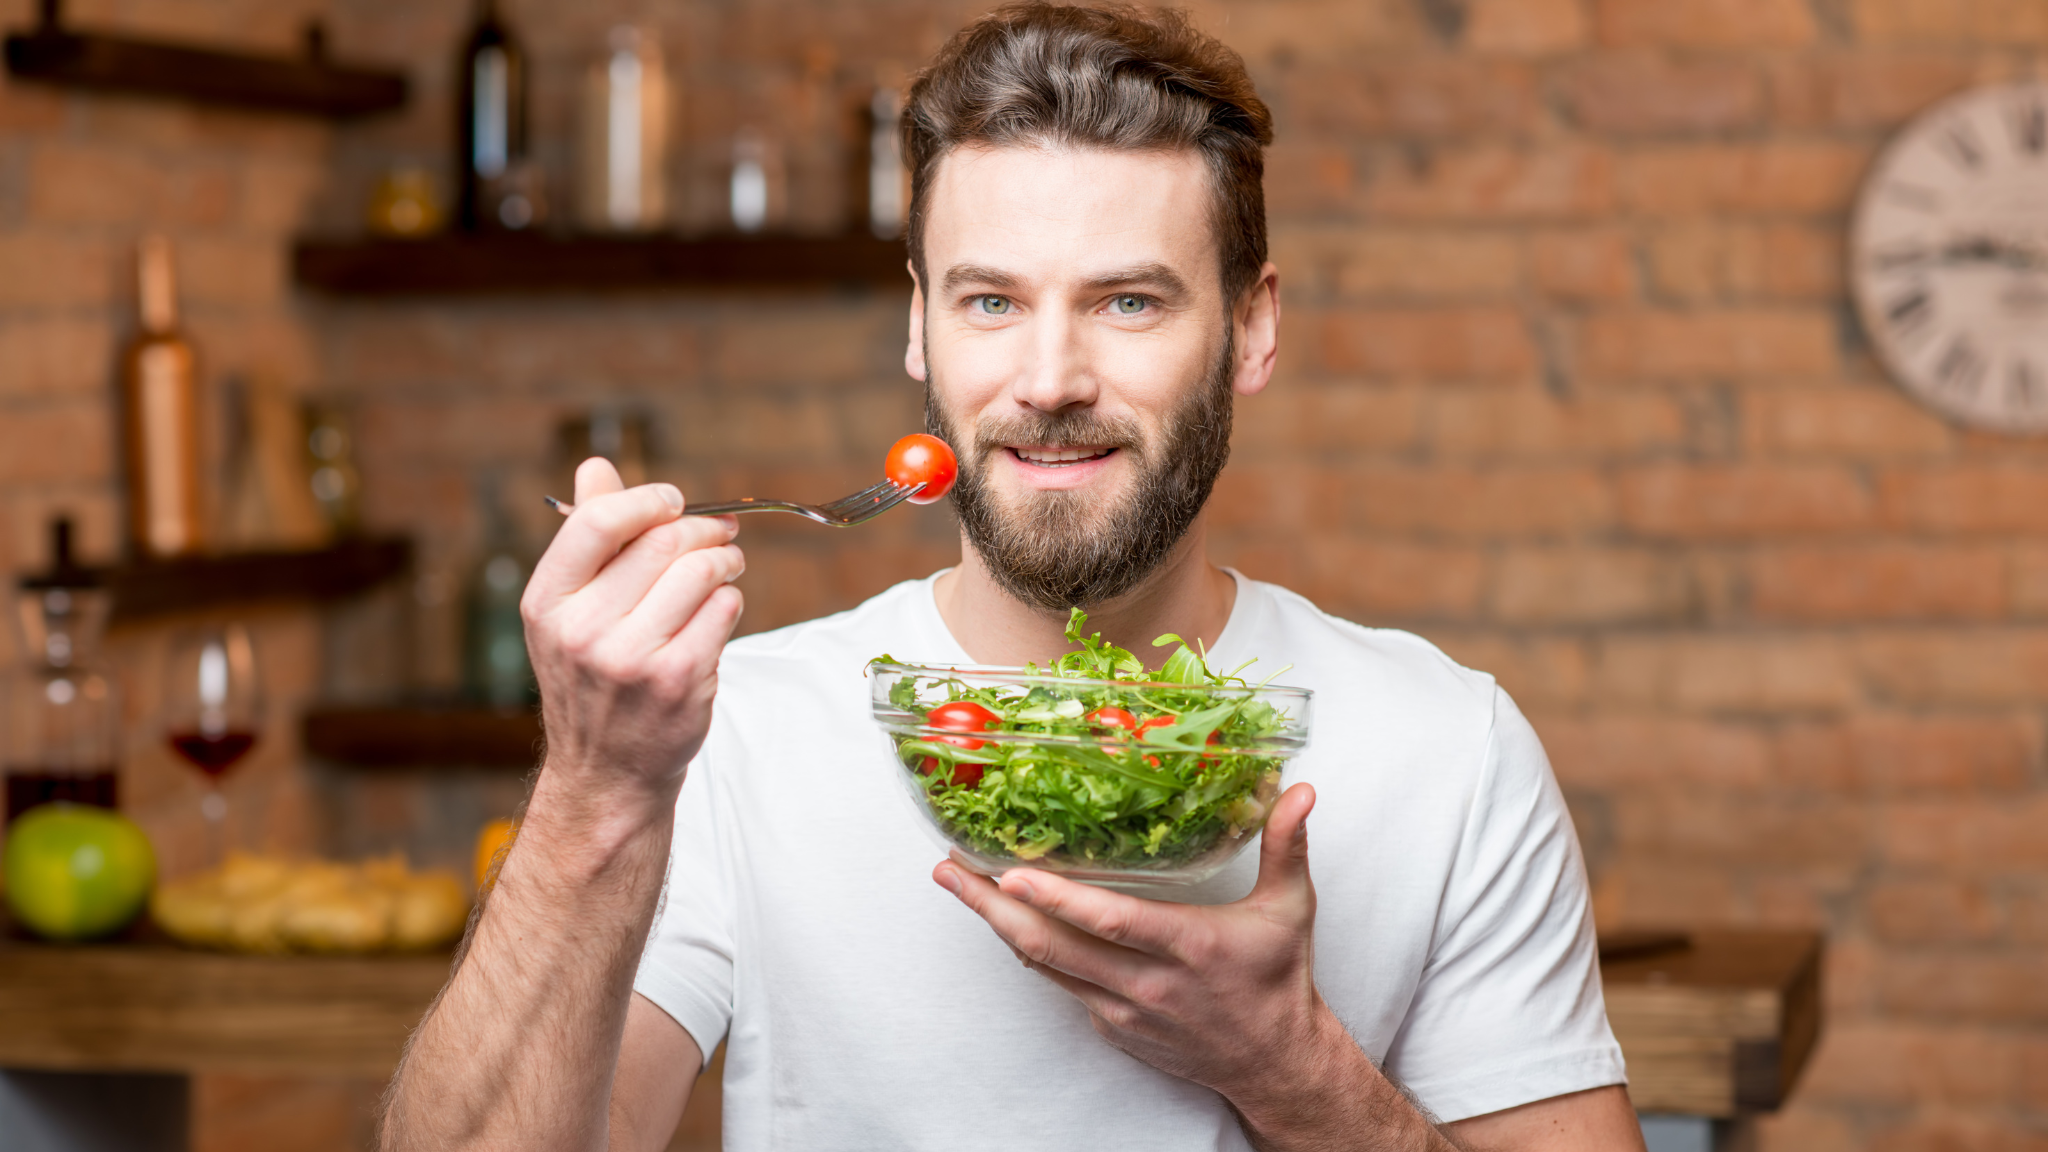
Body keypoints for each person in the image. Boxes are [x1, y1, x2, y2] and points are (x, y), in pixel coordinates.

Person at [381, 5, 1647, 1150]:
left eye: (1128, 304)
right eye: (990, 303)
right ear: (917, 326)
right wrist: (596, 793)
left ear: (1250, 328)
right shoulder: (737, 734)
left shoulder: (1447, 748)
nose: (1047, 379)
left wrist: (1292, 1070)